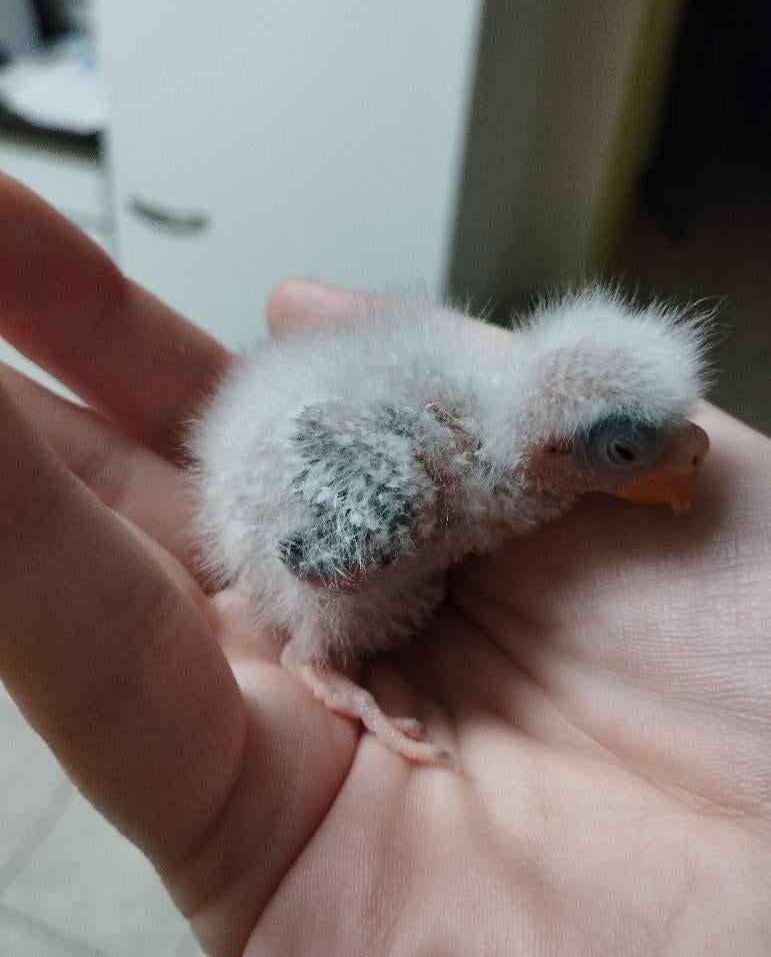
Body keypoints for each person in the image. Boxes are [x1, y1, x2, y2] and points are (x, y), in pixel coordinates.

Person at [0, 172, 769, 956]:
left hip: (304, 456)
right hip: (289, 520)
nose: (684, 456)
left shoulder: (485, 419)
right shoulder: (422, 483)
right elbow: (307, 554)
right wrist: (330, 634)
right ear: (549, 450)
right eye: (625, 452)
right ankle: (318, 664)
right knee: (366, 557)